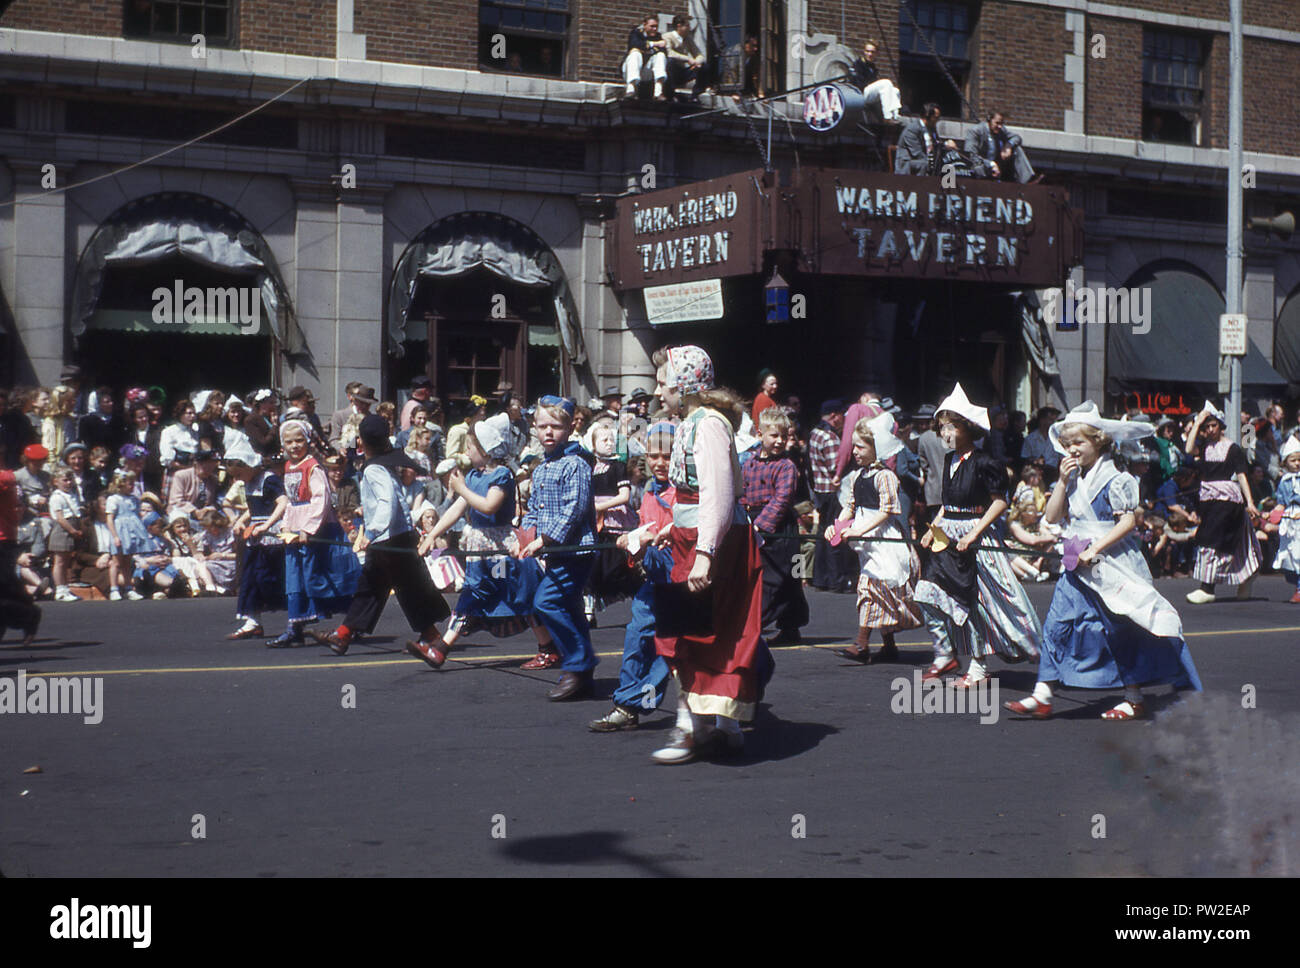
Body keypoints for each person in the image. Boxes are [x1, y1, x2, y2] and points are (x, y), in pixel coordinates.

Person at [1004, 402, 1200, 721]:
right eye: (1068, 444)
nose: (1072, 449)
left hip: (1111, 560)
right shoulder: (1073, 478)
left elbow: (1127, 523)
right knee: (1056, 623)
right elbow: (1051, 518)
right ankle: (1043, 693)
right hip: (1076, 558)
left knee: (1119, 628)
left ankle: (1134, 696)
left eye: (1079, 442)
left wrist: (1095, 549)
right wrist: (1064, 482)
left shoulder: (1119, 479)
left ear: (1099, 441)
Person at [649, 345, 773, 764]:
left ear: (684, 385)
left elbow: (718, 494)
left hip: (716, 544)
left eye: (664, 381)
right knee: (697, 632)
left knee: (695, 634)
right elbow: (693, 496)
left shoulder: (709, 425)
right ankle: (721, 725)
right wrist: (674, 527)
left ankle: (693, 728)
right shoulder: (693, 422)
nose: (658, 389)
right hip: (698, 537)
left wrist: (704, 552)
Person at [914, 383, 1042, 686]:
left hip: (974, 536)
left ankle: (978, 666)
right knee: (927, 593)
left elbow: (999, 502)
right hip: (948, 535)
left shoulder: (986, 462)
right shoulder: (948, 460)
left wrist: (974, 533)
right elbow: (948, 503)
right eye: (942, 428)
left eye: (951, 427)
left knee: (975, 602)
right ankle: (944, 654)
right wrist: (933, 530)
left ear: (968, 428)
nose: (945, 434)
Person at [306, 414, 450, 660]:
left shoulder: (374, 469)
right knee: (379, 586)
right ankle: (343, 634)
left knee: (403, 587)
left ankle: (432, 636)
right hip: (394, 536)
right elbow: (352, 449)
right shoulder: (381, 462)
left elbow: (388, 503)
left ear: (363, 441)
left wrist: (371, 533)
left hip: (389, 539)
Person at [416, 419, 547, 664]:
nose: (466, 452)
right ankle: (441, 648)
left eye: (470, 447)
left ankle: (548, 645)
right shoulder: (474, 476)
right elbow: (457, 508)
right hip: (479, 549)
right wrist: (432, 535)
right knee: (474, 591)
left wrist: (461, 488)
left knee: (514, 594)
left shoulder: (502, 475)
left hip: (498, 550)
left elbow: (489, 506)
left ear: (486, 450)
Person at [589, 421, 677, 732]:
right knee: (637, 637)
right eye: (654, 456)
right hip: (651, 577)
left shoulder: (685, 491)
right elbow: (646, 527)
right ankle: (627, 705)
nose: (659, 463)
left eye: (667, 456)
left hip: (680, 579)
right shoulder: (650, 490)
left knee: (674, 646)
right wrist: (632, 539)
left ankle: (740, 696)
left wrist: (654, 538)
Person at [512, 395, 600, 701]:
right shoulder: (541, 468)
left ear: (570, 428)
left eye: (556, 426)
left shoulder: (575, 464)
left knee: (546, 602)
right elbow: (534, 508)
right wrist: (523, 539)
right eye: (542, 426)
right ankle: (583, 674)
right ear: (534, 428)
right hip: (553, 552)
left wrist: (544, 539)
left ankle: (577, 662)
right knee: (571, 608)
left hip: (576, 551)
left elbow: (573, 510)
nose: (549, 432)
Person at [831, 414, 922, 664]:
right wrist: (837, 527)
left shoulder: (886, 476)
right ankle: (888, 645)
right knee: (876, 589)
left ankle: (861, 644)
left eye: (861, 446)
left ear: (876, 447)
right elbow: (849, 506)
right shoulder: (856, 476)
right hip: (868, 541)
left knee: (871, 587)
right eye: (854, 446)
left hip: (884, 540)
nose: (855, 452)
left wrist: (861, 530)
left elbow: (888, 511)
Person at [270, 419, 360, 647]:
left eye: (299, 440)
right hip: (296, 530)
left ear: (308, 441)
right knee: (295, 578)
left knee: (327, 578)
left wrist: (308, 529)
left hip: (317, 530)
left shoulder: (314, 467)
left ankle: (353, 624)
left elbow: (321, 500)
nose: (294, 446)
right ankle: (295, 627)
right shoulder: (290, 467)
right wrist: (286, 525)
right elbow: (292, 502)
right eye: (289, 442)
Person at [741, 406, 809, 644]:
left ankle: (757, 624)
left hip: (780, 528)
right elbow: (741, 493)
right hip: (754, 520)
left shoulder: (787, 466)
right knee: (770, 575)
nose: (780, 441)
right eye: (774, 435)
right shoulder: (749, 462)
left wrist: (760, 526)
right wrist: (744, 519)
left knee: (783, 575)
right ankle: (790, 628)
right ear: (760, 434)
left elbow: (782, 500)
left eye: (784, 436)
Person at [1184, 401, 1261, 604]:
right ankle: (1246, 576)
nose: (1210, 430)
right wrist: (1198, 420)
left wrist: (1250, 502)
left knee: (1213, 540)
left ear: (1221, 426)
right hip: (1208, 499)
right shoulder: (1204, 447)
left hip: (1227, 500)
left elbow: (1242, 475)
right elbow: (1188, 448)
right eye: (1206, 427)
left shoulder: (1233, 448)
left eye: (1213, 425)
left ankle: (1207, 587)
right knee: (1233, 542)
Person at [222, 437, 288, 640]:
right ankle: (252, 621)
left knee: (270, 578)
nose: (239, 479)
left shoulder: (268, 479)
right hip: (255, 535)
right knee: (249, 577)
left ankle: (296, 620)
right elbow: (252, 508)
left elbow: (283, 503)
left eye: (240, 473)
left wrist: (267, 525)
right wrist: (241, 520)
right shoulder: (248, 483)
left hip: (271, 535)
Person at [0, 436, 41, 645]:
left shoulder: (5, 478)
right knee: (5, 587)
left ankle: (28, 615)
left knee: (4, 586)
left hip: (2, 539)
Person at [809, 399, 854, 592]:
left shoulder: (814, 433)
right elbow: (836, 467)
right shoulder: (829, 438)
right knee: (834, 534)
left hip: (819, 489)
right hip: (831, 491)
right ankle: (837, 580)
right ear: (834, 416)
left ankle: (820, 578)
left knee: (822, 534)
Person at [104, 470, 149, 601]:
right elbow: (110, 519)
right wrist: (115, 536)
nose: (132, 487)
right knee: (116, 562)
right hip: (120, 532)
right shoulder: (114, 499)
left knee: (127, 562)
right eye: (130, 484)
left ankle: (129, 588)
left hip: (131, 533)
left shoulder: (134, 499)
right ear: (121, 484)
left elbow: (135, 516)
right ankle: (114, 589)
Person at [965, 110, 1037, 183]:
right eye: (997, 123)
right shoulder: (975, 131)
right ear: (989, 120)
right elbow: (971, 156)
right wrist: (991, 164)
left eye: (1002, 123)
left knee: (1017, 149)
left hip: (998, 168)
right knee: (978, 167)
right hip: (981, 167)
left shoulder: (1001, 130)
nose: (1000, 126)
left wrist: (1008, 145)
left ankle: (1027, 180)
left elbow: (1017, 137)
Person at [1273, 437, 1300, 603]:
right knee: (1289, 555)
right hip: (1289, 522)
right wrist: (1275, 512)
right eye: (1293, 460)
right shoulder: (1283, 481)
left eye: (1299, 460)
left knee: (1299, 554)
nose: (1297, 463)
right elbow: (1281, 502)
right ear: (1285, 462)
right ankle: (1296, 583)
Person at [894, 103, 951, 176]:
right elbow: (917, 153)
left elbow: (936, 143)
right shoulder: (912, 130)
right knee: (926, 164)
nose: (938, 120)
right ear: (927, 116)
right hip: (908, 163)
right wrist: (932, 162)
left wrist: (946, 144)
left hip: (923, 159)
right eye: (936, 117)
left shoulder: (931, 128)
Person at [623, 15, 669, 100]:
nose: (654, 29)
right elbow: (635, 44)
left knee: (661, 55)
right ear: (644, 25)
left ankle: (658, 92)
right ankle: (630, 90)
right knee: (635, 53)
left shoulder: (658, 36)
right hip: (631, 70)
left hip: (648, 72)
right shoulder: (636, 33)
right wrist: (654, 44)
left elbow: (664, 51)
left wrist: (646, 48)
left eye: (656, 26)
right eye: (652, 26)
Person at [663, 14, 706, 98]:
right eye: (687, 25)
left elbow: (699, 54)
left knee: (704, 67)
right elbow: (669, 53)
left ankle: (697, 94)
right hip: (672, 73)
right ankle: (669, 94)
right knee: (670, 61)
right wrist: (688, 59)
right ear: (679, 26)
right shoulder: (667, 36)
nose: (690, 28)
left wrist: (697, 62)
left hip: (682, 72)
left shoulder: (688, 39)